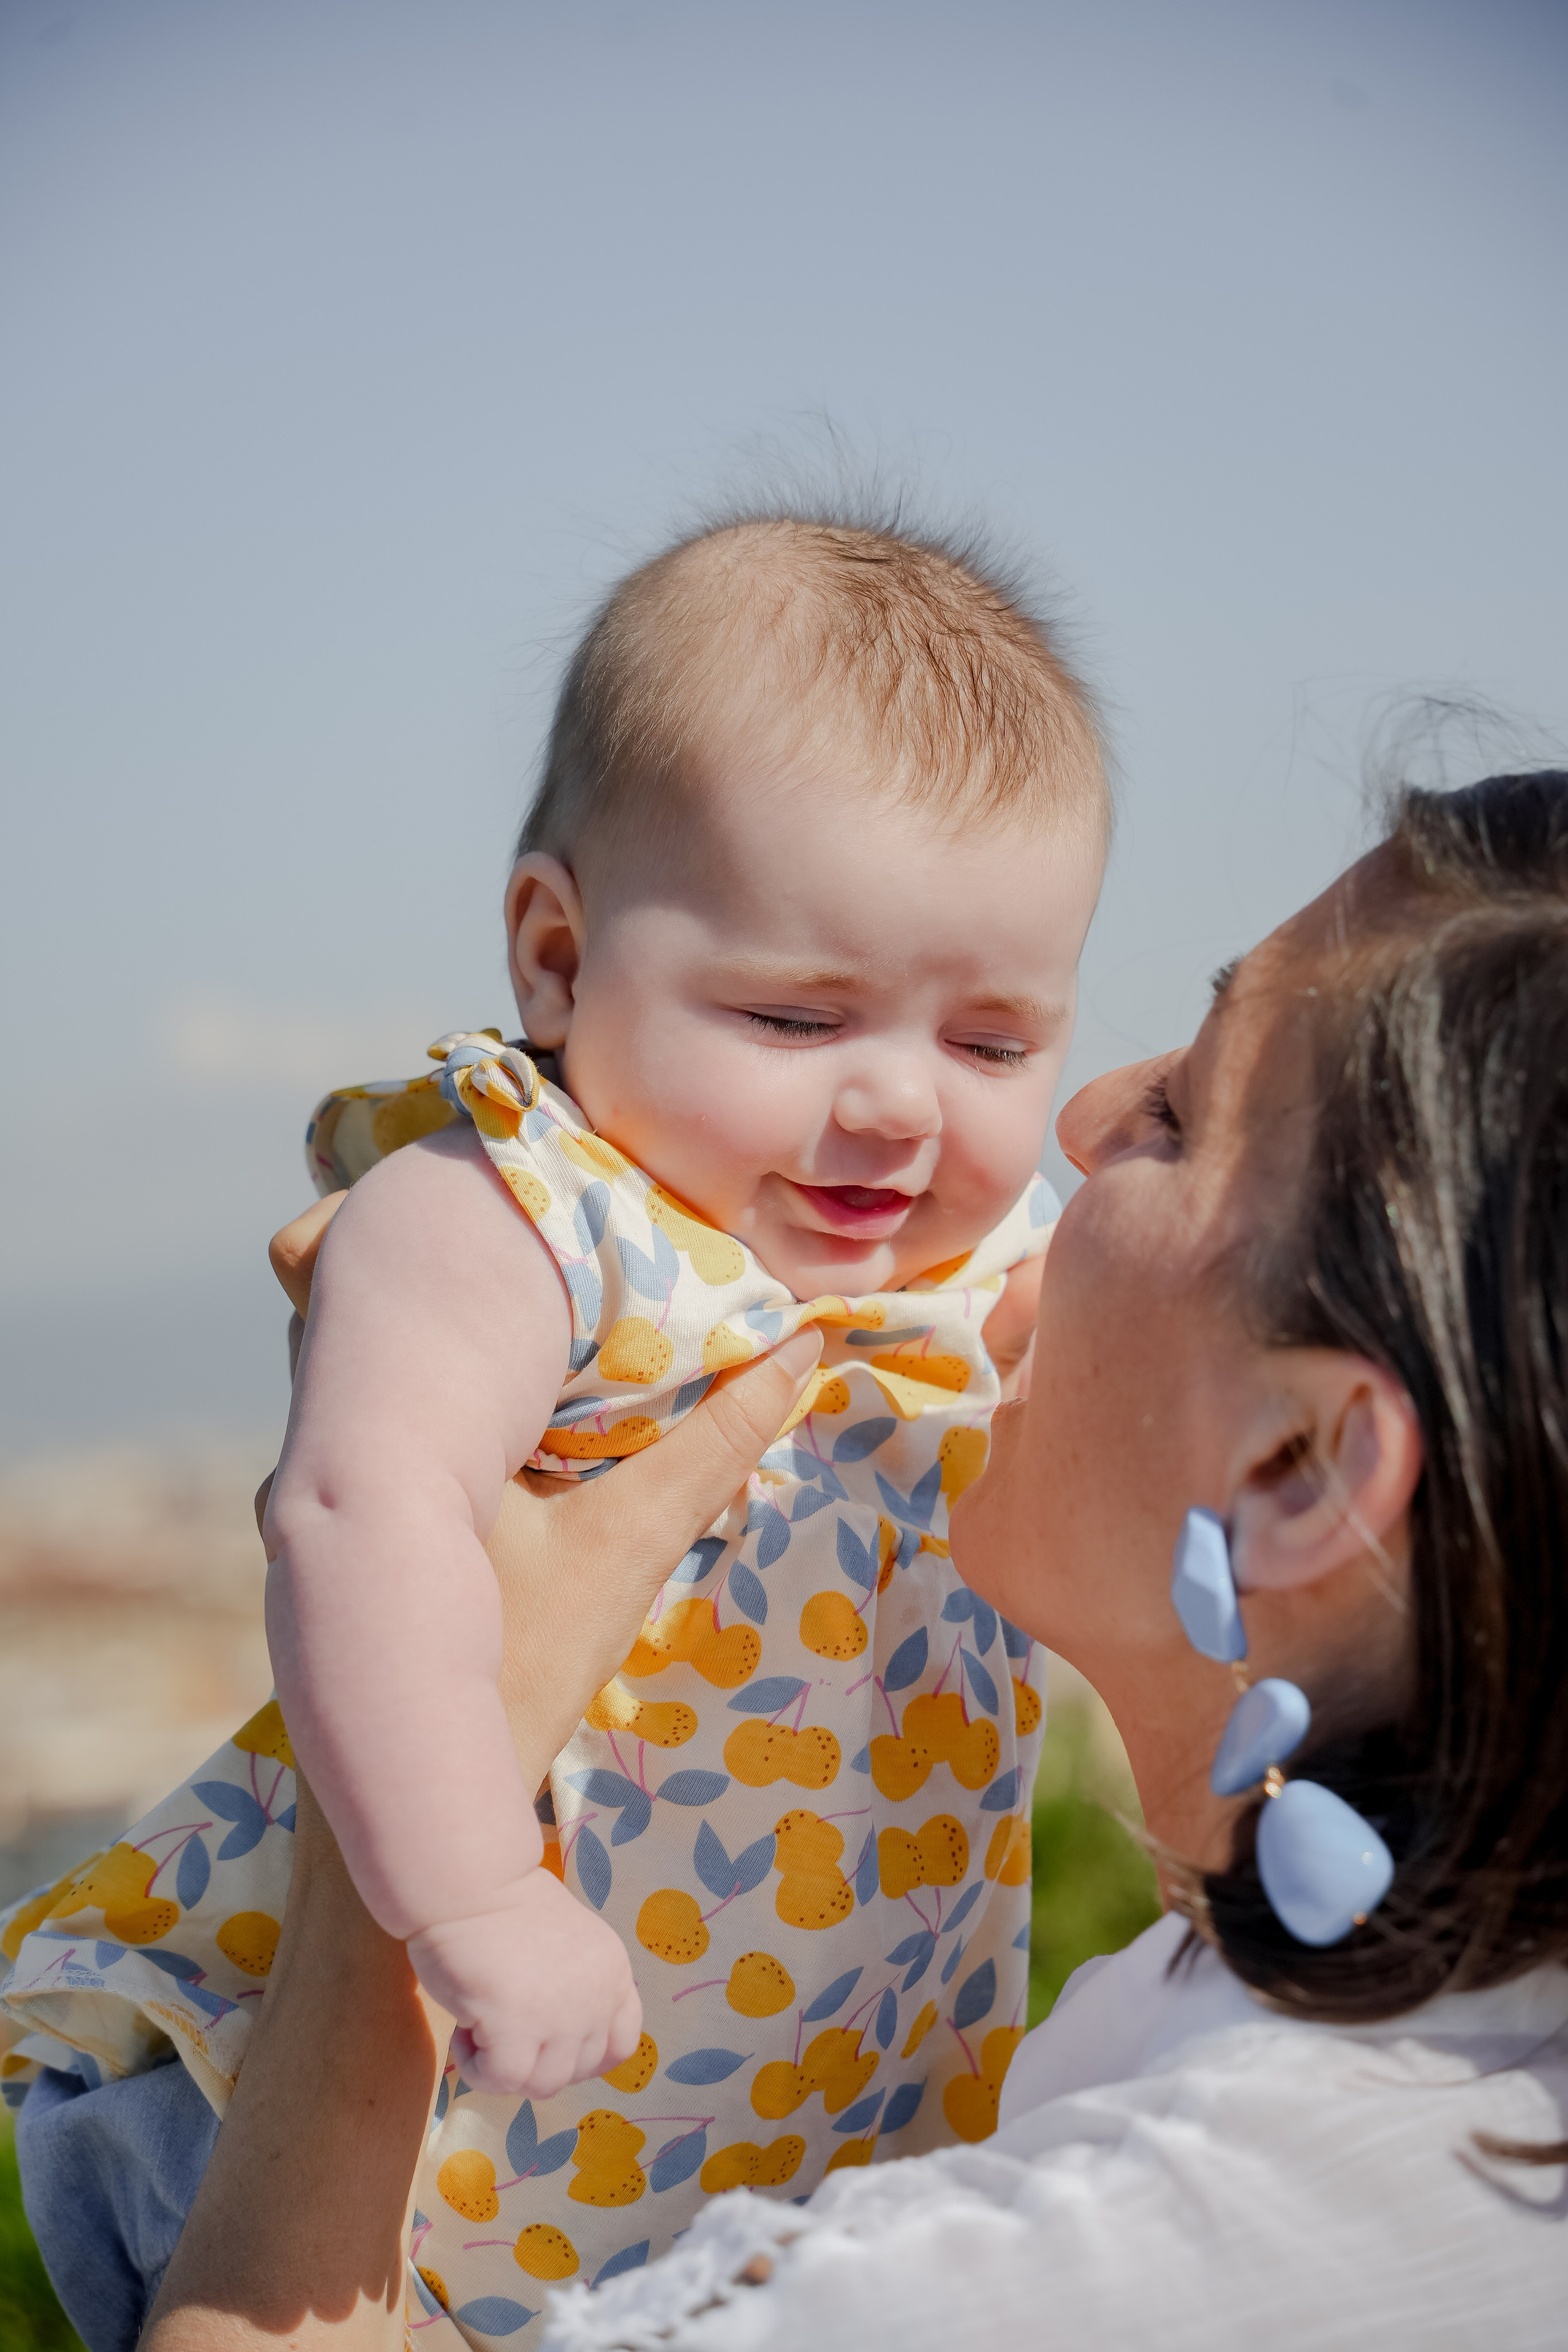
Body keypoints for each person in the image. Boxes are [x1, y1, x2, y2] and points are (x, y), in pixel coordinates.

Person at [18, 765, 1568, 2348]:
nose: (1088, 1114)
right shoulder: (1434, 2068)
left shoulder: (1086, 2267)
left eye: (1180, 1116)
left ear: (1303, 1465)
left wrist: (432, 1806)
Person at [2, 510, 1111, 2315]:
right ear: (556, 955)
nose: (905, 1106)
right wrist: (468, 1897)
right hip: (410, 2097)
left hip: (804, 2105)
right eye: (798, 1014)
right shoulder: (530, 1207)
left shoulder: (973, 1264)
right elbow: (362, 1512)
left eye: (993, 1044)